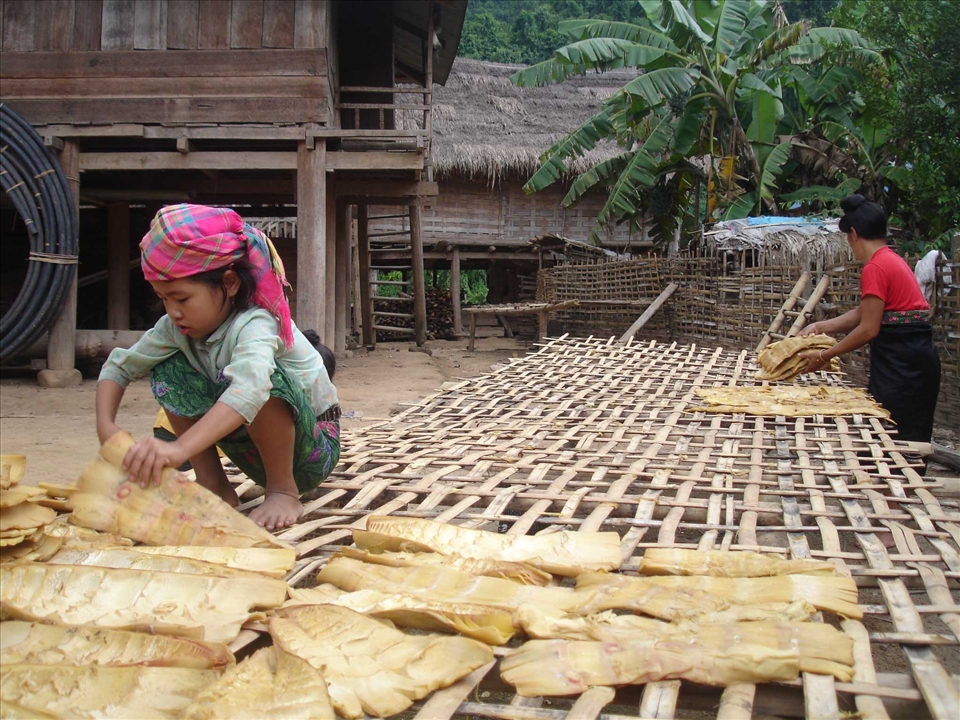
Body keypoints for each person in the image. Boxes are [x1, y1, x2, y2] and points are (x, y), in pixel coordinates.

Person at [96, 204, 340, 530]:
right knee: (167, 369)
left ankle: (283, 490)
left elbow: (251, 391)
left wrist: (178, 449)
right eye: (163, 298)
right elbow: (120, 366)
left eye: (181, 299)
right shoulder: (173, 329)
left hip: (312, 451)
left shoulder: (256, 323)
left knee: (260, 380)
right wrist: (106, 427)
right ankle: (214, 486)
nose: (173, 311)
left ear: (230, 282)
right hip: (251, 451)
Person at [799, 194, 941, 443]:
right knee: (903, 434)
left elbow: (868, 329)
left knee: (894, 436)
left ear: (853, 234)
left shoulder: (875, 267)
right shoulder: (891, 259)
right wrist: (820, 327)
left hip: (903, 363)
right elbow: (866, 312)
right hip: (914, 357)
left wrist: (824, 356)